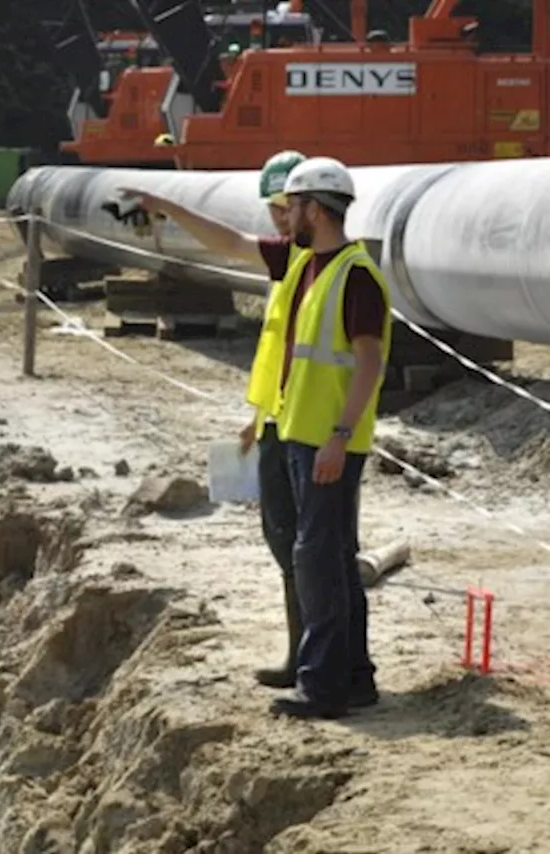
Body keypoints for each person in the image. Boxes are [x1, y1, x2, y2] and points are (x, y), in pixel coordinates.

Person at [122, 156, 390, 720]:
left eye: (291, 206)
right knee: (332, 558)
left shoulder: (355, 274)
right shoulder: (303, 260)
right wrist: (167, 207)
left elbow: (369, 361)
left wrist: (340, 438)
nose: (283, 216)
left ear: (315, 210)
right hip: (300, 432)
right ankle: (356, 677)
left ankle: (322, 686)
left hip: (327, 439)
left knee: (318, 558)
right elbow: (231, 243)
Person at [242, 149, 306, 691]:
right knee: (282, 540)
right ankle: (300, 655)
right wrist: (257, 414)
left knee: (302, 545)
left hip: (308, 428)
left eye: (286, 206)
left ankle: (309, 660)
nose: (279, 218)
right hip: (277, 419)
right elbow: (275, 351)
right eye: (274, 208)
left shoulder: (306, 263)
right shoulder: (285, 268)